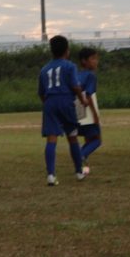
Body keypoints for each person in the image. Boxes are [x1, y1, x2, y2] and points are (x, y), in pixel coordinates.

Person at [39, 35, 89, 186]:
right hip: (66, 101)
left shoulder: (44, 69)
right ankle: (79, 171)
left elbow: (41, 92)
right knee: (72, 136)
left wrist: (48, 104)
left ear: (51, 51)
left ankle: (51, 175)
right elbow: (75, 86)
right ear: (67, 50)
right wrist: (82, 99)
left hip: (50, 102)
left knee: (51, 139)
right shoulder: (69, 66)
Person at [76, 47, 101, 171]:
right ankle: (80, 156)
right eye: (93, 58)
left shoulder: (77, 74)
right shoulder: (91, 75)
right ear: (84, 61)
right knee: (97, 140)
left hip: (77, 111)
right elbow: (89, 95)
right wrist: (95, 115)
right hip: (87, 112)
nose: (96, 61)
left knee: (88, 138)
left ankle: (83, 161)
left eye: (96, 58)